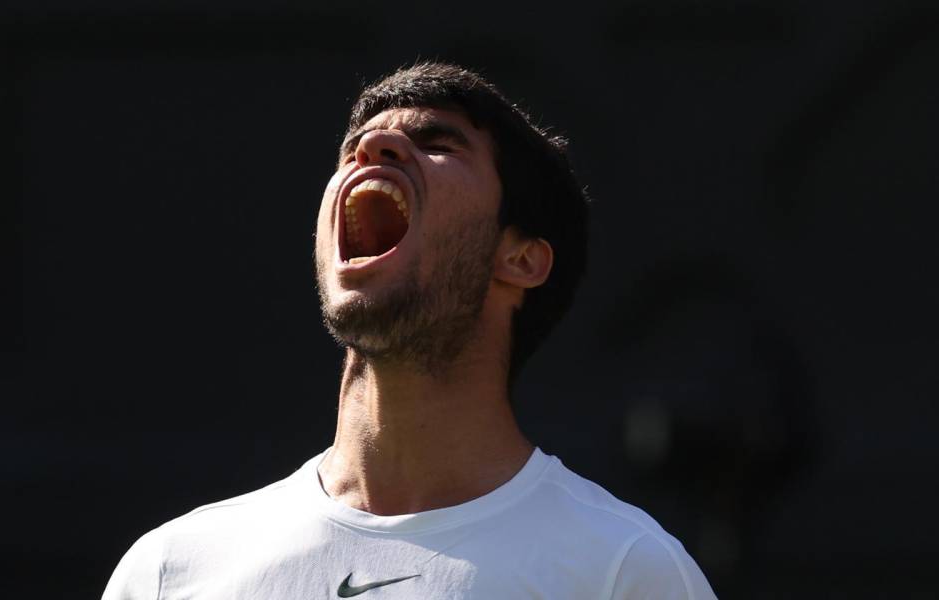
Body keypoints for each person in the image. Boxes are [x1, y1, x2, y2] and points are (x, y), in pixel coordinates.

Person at [102, 62, 716, 599]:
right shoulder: (168, 575)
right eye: (354, 146)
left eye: (436, 142)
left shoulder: (624, 575)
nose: (372, 148)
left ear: (521, 258)